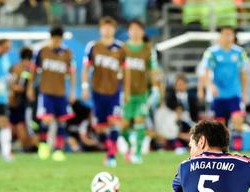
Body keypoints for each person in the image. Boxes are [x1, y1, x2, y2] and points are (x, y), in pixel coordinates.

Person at [82, 16, 125, 167]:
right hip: (98, 91)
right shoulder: (93, 46)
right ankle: (109, 150)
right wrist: (85, 86)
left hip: (114, 91)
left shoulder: (121, 48)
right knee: (101, 127)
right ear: (100, 29)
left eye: (110, 27)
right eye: (104, 27)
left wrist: (126, 89)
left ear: (114, 29)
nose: (107, 30)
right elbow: (86, 68)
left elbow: (125, 70)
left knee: (114, 121)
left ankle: (111, 155)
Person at [28, 25, 76, 162]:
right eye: (54, 39)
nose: (56, 42)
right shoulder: (42, 51)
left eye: (58, 39)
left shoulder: (67, 53)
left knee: (61, 121)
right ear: (50, 38)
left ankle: (59, 149)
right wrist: (30, 87)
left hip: (60, 92)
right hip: (46, 91)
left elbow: (72, 73)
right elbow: (33, 70)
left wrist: (72, 91)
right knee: (46, 119)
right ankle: (43, 146)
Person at [200, 26, 248, 151]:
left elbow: (243, 73)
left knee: (238, 119)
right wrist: (210, 86)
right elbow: (205, 72)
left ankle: (238, 149)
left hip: (234, 93)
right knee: (220, 125)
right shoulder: (212, 52)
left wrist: (245, 92)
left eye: (230, 34)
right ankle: (222, 150)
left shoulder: (239, 52)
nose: (228, 37)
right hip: (219, 94)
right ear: (220, 36)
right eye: (225, 34)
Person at [122, 19, 160, 164]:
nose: (135, 32)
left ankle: (137, 153)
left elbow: (154, 69)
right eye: (132, 29)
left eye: (138, 29)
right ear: (129, 31)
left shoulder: (148, 49)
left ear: (142, 32)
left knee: (139, 120)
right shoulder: (123, 49)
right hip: (127, 93)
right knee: (123, 126)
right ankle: (131, 147)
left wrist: (155, 87)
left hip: (143, 92)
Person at [9, 47, 36, 151]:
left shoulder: (30, 69)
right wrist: (15, 88)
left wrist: (29, 91)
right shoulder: (16, 68)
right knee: (16, 125)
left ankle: (27, 147)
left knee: (22, 125)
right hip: (15, 101)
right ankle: (22, 147)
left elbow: (29, 85)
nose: (28, 63)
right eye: (27, 60)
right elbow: (11, 84)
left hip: (23, 102)